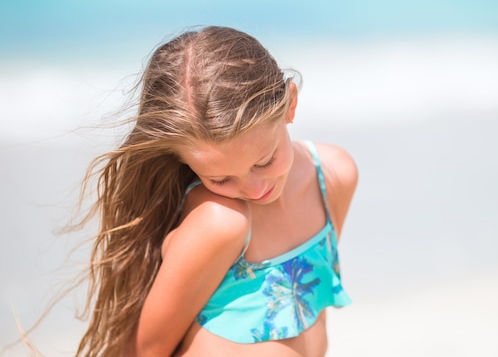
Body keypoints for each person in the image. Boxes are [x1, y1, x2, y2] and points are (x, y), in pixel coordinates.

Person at [74, 26, 358, 357]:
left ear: (290, 105)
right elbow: (143, 351)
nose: (254, 189)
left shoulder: (334, 176)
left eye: (265, 161)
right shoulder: (221, 223)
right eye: (220, 179)